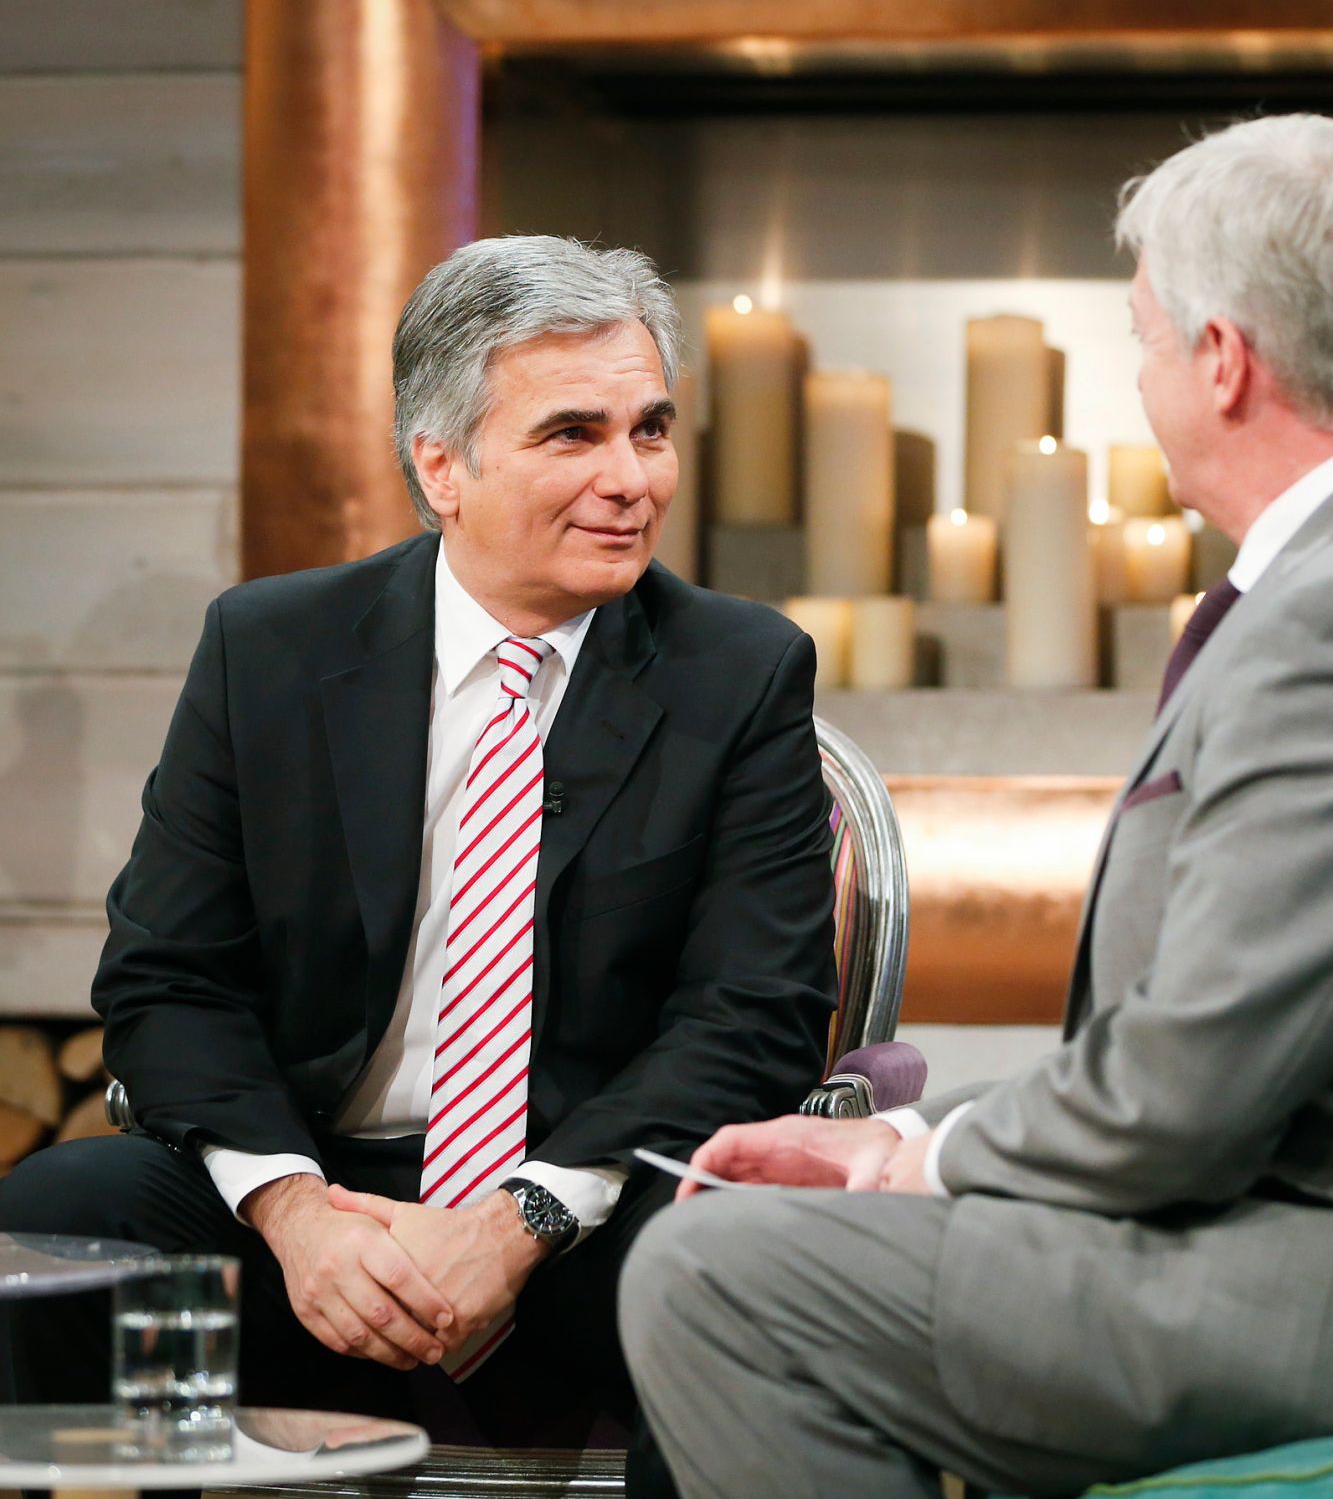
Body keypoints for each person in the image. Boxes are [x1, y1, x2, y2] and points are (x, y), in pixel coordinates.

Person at [617, 114, 1333, 1499]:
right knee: (746, 1249)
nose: (1140, 380)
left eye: (1144, 340)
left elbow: (1187, 1091)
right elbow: (1203, 1036)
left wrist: (922, 1168)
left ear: (1222, 360)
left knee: (715, 1277)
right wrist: (895, 1133)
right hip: (1280, 1226)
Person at [0, 237, 836, 1473]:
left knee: (737, 1278)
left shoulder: (739, 668)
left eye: (648, 428)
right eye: (572, 434)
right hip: (317, 1187)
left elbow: (752, 1014)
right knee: (58, 1217)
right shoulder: (271, 648)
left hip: (586, 1202)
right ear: (438, 465)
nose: (630, 479)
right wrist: (294, 1212)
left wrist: (520, 1218)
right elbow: (169, 977)